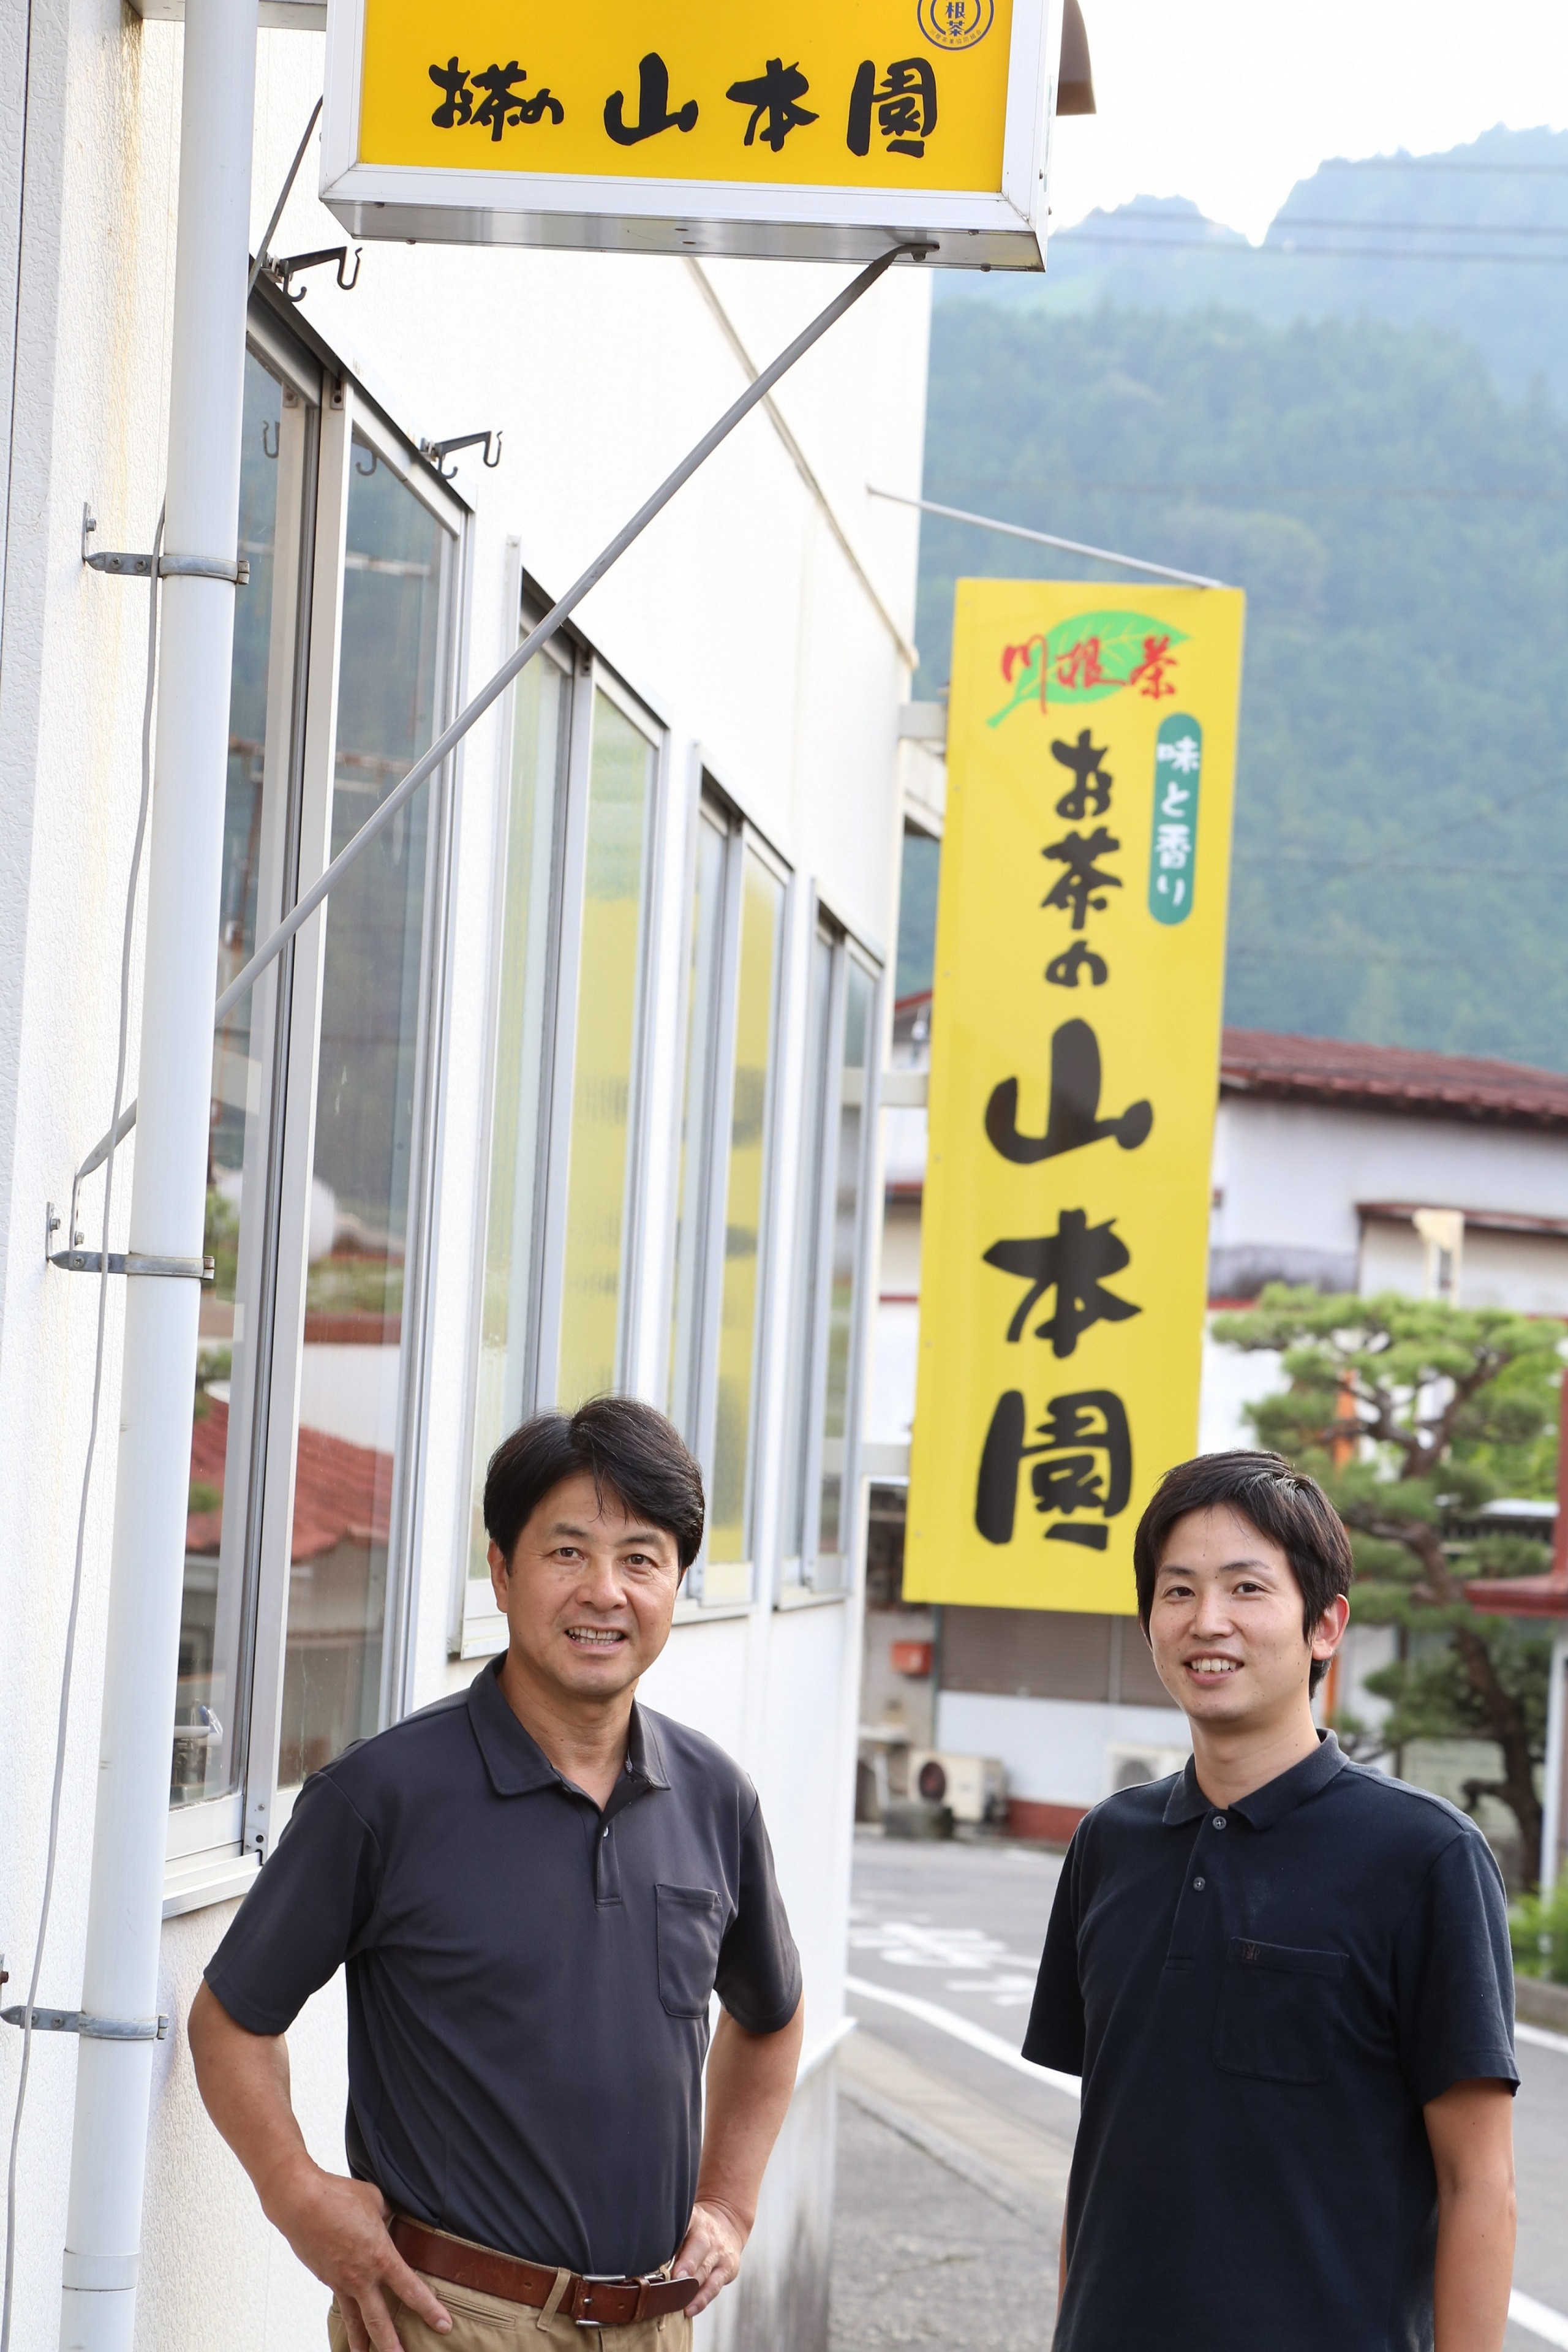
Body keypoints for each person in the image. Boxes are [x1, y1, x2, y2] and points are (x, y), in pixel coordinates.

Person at [189, 1397, 804, 2352]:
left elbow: (771, 2019)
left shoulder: (715, 1798)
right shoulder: (383, 1796)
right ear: (503, 1572)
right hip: (449, 2319)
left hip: (651, 2326)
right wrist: (297, 2194)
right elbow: (231, 2019)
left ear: (677, 1582)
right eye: (568, 1552)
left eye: (641, 1558)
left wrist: (727, 2204)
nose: (605, 1591)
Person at [1025, 1449, 1518, 2352]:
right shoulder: (1109, 1843)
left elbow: (1478, 2182)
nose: (1207, 1621)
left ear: (1325, 1626)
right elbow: (1107, 2155)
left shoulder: (1425, 1856)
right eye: (1178, 1592)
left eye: (1247, 1589)